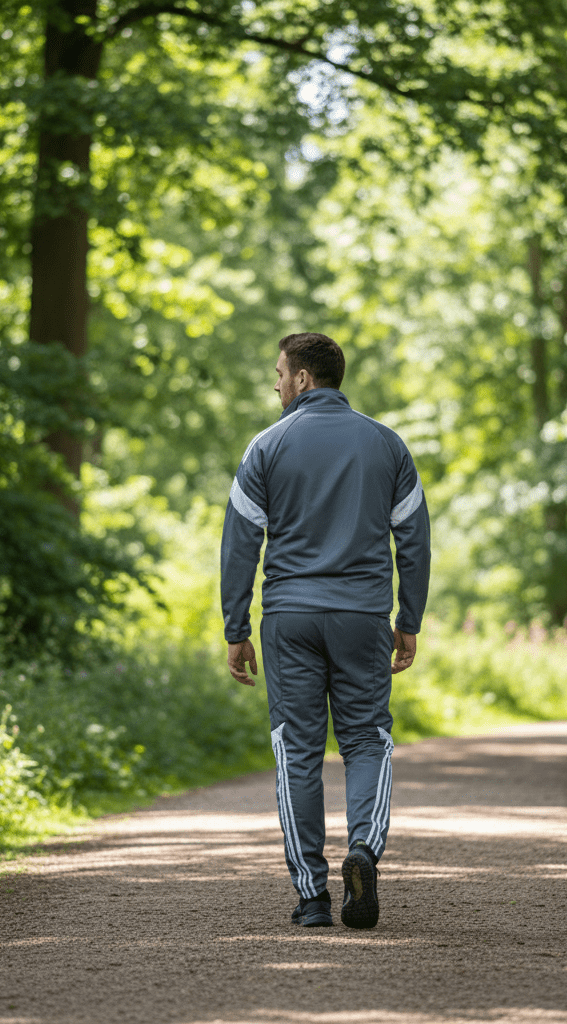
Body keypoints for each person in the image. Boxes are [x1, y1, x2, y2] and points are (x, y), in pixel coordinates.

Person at [220, 332, 430, 929]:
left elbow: (240, 544)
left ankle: (311, 894)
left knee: (298, 749)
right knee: (367, 740)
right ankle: (362, 848)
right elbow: (414, 540)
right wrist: (407, 620)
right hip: (363, 615)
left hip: (290, 617)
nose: (277, 384)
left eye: (281, 374)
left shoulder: (266, 446)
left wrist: (237, 627)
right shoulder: (387, 444)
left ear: (305, 379)